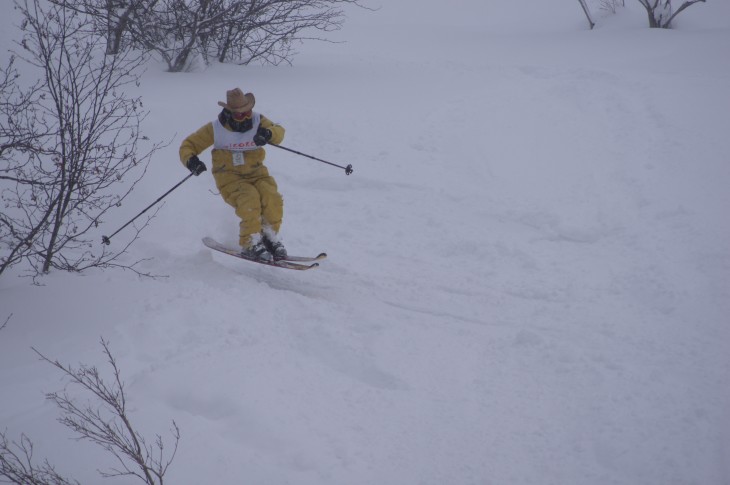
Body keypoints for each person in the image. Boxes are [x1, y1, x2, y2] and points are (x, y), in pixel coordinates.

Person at [179, 88, 287, 261]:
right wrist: (191, 161)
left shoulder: (258, 121)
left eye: (247, 113)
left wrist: (268, 134)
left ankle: (269, 237)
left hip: (257, 172)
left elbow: (279, 131)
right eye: (239, 115)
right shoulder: (215, 129)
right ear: (229, 113)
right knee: (249, 198)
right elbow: (188, 145)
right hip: (230, 177)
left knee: (271, 196)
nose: (245, 117)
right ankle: (249, 242)